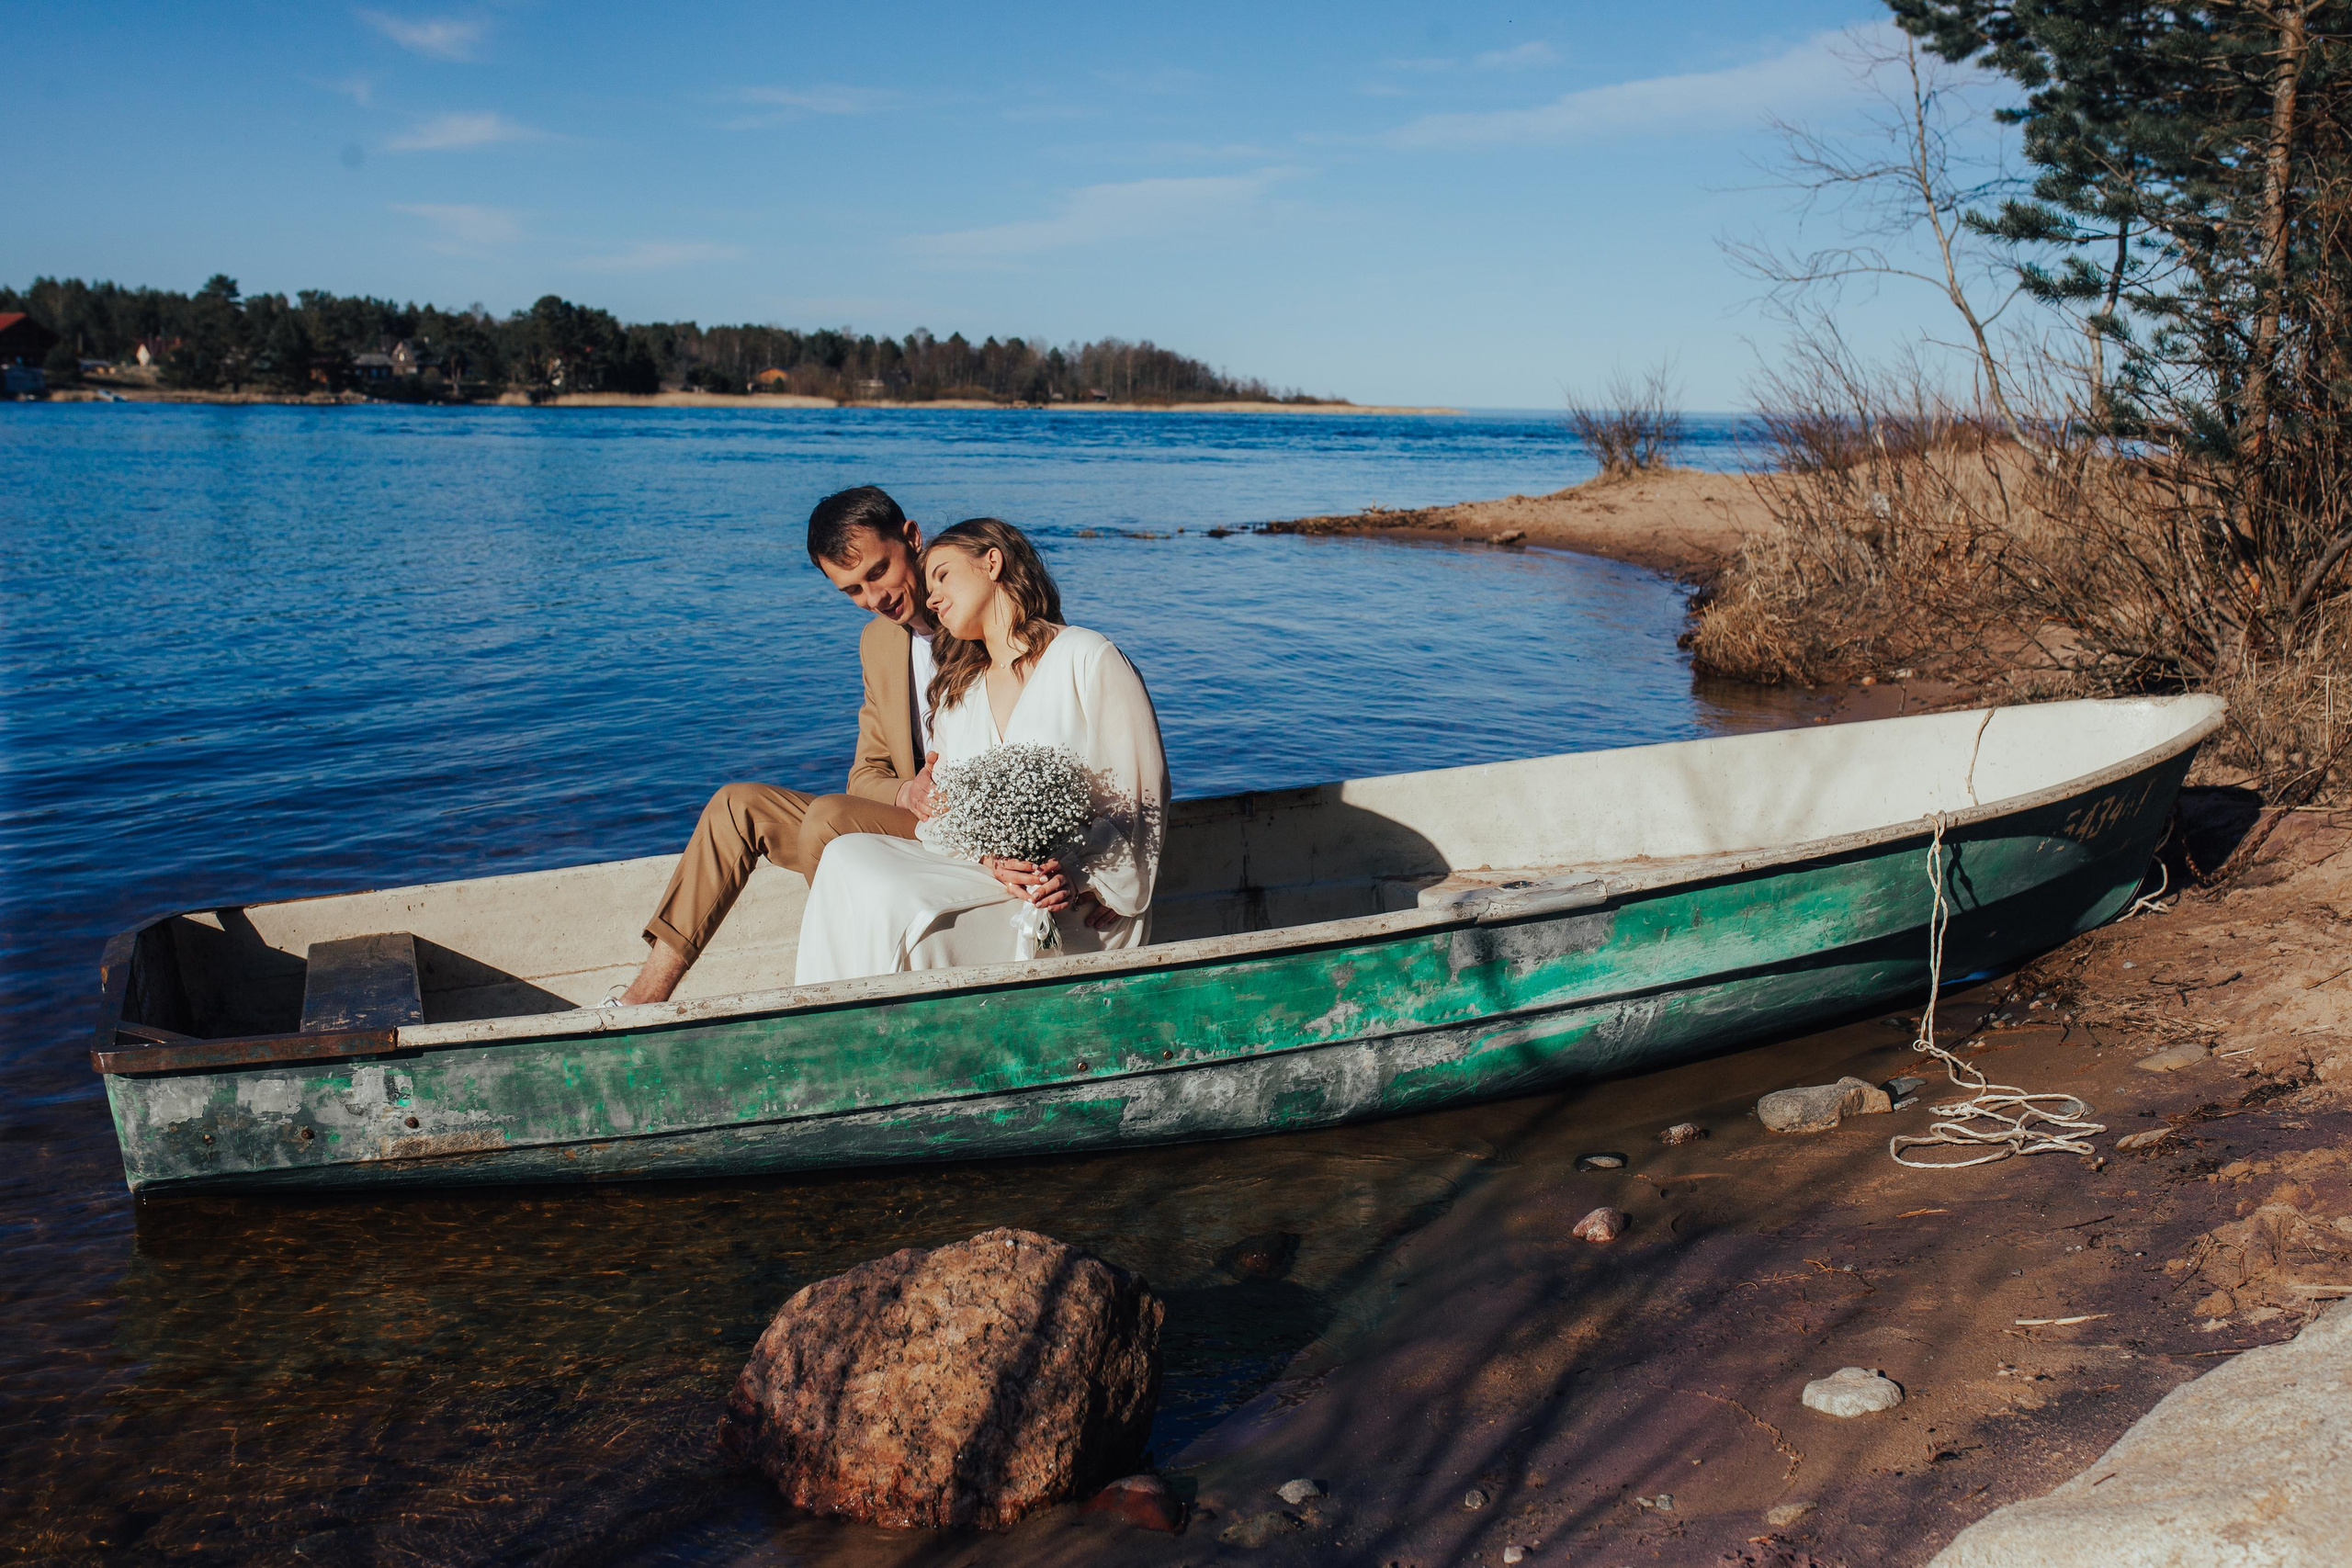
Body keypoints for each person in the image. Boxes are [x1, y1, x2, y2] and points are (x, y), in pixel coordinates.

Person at [793, 519, 1170, 985]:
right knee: (846, 857)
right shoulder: (961, 690)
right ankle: (839, 1025)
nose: (930, 598)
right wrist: (991, 860)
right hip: (988, 876)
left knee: (906, 907)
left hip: (1075, 902)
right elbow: (949, 818)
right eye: (928, 584)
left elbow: (1140, 803)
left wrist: (1076, 876)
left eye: (942, 576)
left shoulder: (1087, 658)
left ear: (992, 562)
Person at [613, 485, 945, 1005]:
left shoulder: (973, 616)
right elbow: (866, 775)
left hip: (969, 829)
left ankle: (848, 988)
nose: (874, 599)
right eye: (853, 591)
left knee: (829, 817)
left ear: (912, 538)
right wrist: (905, 794)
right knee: (735, 806)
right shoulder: (878, 642)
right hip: (910, 818)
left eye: (878, 572)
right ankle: (642, 1000)